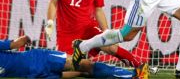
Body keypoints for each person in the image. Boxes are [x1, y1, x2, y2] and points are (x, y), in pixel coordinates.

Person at [0, 35, 142, 78]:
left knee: (83, 70)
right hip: (39, 61)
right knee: (85, 67)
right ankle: (131, 76)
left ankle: (130, 76)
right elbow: (20, 42)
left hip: (35, 71)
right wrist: (26, 39)